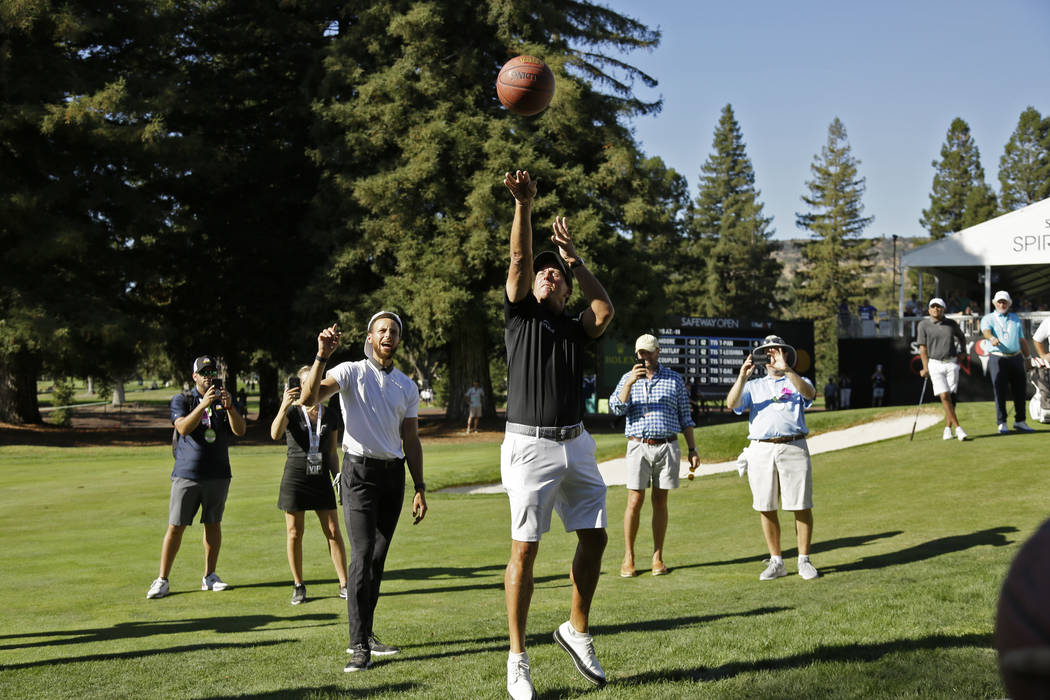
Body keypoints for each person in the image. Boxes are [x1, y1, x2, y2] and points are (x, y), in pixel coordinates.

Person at [501, 169, 614, 699]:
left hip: (577, 443)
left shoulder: (573, 326)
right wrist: (523, 205)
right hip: (529, 445)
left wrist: (575, 260)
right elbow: (520, 262)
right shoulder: (521, 315)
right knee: (525, 550)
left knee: (595, 536)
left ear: (566, 289)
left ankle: (576, 629)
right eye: (544, 274)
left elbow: (605, 309)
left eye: (556, 276)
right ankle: (518, 658)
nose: (547, 277)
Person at [300, 313, 428, 673]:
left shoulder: (406, 385)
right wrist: (322, 355)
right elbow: (309, 396)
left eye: (394, 331)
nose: (389, 335)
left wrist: (419, 486)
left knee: (377, 559)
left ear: (398, 340)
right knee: (361, 555)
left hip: (393, 476)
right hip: (358, 473)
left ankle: (367, 633)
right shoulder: (350, 371)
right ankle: (358, 646)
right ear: (370, 337)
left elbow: (412, 440)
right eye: (382, 330)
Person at [146, 356, 246, 599]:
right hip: (187, 474)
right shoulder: (183, 400)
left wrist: (230, 406)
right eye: (203, 372)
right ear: (194, 376)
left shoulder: (224, 400)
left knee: (213, 524)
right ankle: (162, 579)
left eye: (211, 372)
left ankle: (210, 576)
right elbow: (182, 427)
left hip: (218, 474)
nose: (207, 376)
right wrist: (203, 405)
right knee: (176, 526)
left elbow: (240, 430)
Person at [726, 336, 819, 582]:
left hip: (794, 445)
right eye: (766, 353)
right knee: (765, 505)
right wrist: (742, 376)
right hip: (762, 449)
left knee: (801, 504)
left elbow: (810, 394)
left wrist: (786, 370)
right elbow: (731, 403)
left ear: (786, 354)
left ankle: (804, 560)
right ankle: (776, 561)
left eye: (776, 352)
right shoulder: (754, 385)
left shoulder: (798, 380)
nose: (771, 356)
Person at [608, 333, 700, 579]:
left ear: (657, 351)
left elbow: (685, 417)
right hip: (638, 445)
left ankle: (657, 556)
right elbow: (615, 408)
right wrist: (628, 383)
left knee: (660, 501)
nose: (644, 357)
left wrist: (692, 449)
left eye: (648, 352)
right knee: (634, 500)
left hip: (667, 446)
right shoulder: (627, 379)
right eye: (640, 353)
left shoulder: (673, 379)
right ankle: (629, 557)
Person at [269, 366, 348, 605]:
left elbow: (332, 452)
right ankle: (298, 585)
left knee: (333, 530)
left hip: (321, 478)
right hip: (295, 478)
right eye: (305, 383)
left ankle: (345, 584)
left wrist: (338, 478)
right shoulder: (292, 413)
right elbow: (274, 434)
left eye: (314, 383)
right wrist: (285, 404)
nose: (310, 387)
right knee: (295, 533)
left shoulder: (331, 415)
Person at [981, 290, 1036, 434]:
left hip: (1016, 357)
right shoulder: (988, 318)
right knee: (1000, 391)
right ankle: (1002, 422)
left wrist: (1028, 358)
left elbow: (1022, 339)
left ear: (1009, 303)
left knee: (1020, 390)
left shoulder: (1014, 318)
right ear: (994, 303)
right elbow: (986, 331)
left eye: (1004, 302)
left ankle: (1020, 421)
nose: (1002, 304)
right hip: (998, 357)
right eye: (999, 301)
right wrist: (992, 338)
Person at [917, 297, 969, 442]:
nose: (935, 309)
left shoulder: (951, 324)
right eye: (933, 307)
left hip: (951, 363)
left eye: (938, 307)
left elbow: (962, 338)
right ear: (929, 309)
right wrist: (925, 368)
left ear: (943, 309)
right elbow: (923, 348)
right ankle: (959, 429)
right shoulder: (923, 325)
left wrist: (963, 352)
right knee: (944, 396)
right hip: (935, 364)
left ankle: (947, 429)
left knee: (951, 398)